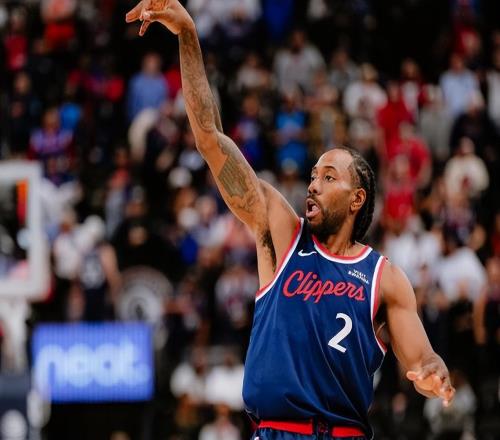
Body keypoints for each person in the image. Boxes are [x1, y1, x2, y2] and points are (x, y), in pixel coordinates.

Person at [126, 2, 455, 439]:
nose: (313, 184)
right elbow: (209, 137)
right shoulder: (282, 234)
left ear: (357, 199)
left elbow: (420, 358)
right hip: (274, 430)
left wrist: (433, 371)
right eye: (314, 175)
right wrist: (187, 34)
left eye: (329, 177)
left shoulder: (384, 278)